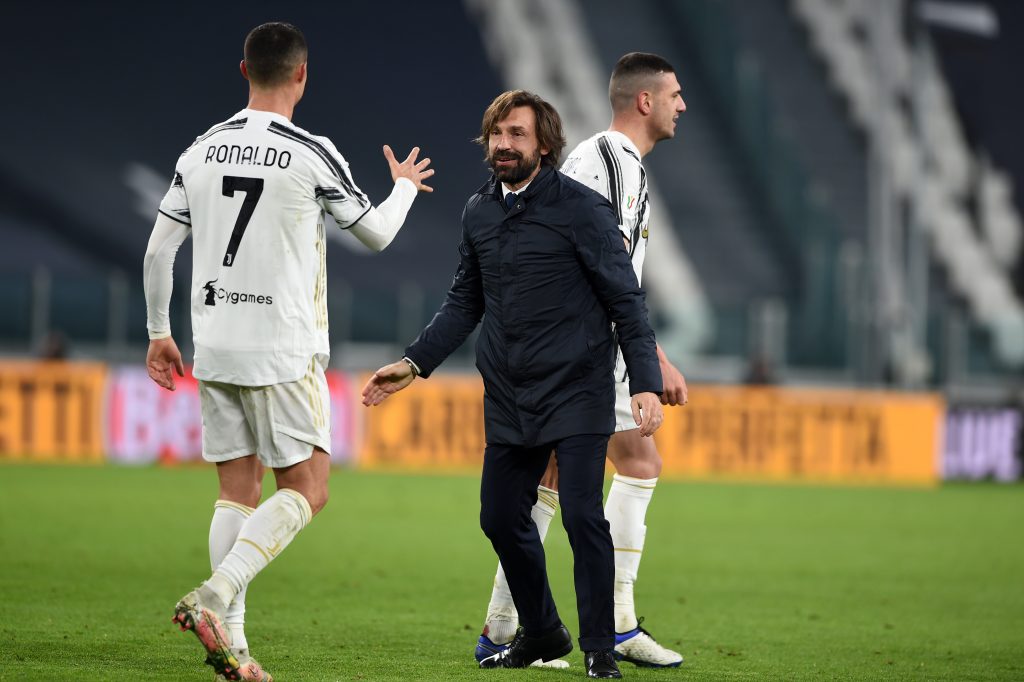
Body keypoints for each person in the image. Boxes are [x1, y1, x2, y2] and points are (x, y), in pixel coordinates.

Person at [143, 22, 434, 681]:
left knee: (234, 490)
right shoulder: (311, 152)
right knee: (309, 488)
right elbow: (377, 236)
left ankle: (233, 649)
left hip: (213, 343)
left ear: (242, 71)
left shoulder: (201, 150)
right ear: (302, 75)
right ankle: (216, 596)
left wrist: (160, 330)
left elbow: (160, 249)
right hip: (281, 349)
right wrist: (406, 187)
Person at [362, 90, 664, 679]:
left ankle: (600, 648)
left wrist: (644, 382)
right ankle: (545, 630)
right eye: (497, 134)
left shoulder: (582, 209)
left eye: (516, 135)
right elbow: (464, 301)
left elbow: (626, 301)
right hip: (509, 392)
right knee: (500, 518)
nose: (503, 144)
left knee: (581, 516)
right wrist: (414, 362)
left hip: (578, 389)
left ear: (543, 145)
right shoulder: (479, 211)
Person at [475, 53, 689, 670]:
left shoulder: (622, 165)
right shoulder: (610, 164)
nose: (681, 105)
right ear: (644, 101)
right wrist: (653, 357)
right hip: (581, 348)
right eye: (673, 94)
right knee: (630, 463)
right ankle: (612, 625)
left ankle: (506, 625)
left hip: (579, 345)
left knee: (568, 477)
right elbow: (603, 269)